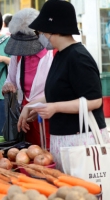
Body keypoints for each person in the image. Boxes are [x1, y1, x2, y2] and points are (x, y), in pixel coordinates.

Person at [18, 0, 109, 171]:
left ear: (54, 30)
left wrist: (55, 108)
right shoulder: (61, 55)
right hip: (65, 139)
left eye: (41, 32)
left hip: (81, 140)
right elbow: (58, 92)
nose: (41, 36)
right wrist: (31, 106)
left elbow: (94, 100)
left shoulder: (79, 57)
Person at [2, 8, 53, 148]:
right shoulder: (18, 55)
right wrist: (7, 86)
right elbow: (10, 80)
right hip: (25, 119)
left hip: (50, 117)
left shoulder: (54, 53)